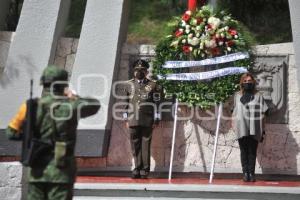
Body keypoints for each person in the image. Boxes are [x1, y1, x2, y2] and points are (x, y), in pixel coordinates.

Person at [5, 65, 100, 200]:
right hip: (61, 173)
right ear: (63, 85)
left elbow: (10, 133)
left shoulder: (29, 106)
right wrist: (73, 97)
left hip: (36, 172)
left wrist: (30, 138)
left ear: (43, 83)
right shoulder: (71, 106)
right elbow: (95, 105)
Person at [123, 59, 162, 179]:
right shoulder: (128, 84)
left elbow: (158, 104)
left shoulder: (153, 85)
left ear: (146, 71)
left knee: (146, 144)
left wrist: (156, 119)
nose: (139, 72)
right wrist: (126, 119)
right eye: (137, 70)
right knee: (135, 145)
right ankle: (137, 168)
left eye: (142, 70)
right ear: (134, 71)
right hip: (133, 119)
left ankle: (145, 169)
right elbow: (125, 102)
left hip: (147, 120)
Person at [232, 73, 269, 182]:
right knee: (243, 151)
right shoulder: (237, 96)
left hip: (255, 127)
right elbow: (233, 112)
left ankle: (252, 173)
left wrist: (263, 129)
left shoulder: (259, 96)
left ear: (253, 82)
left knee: (252, 151)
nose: (248, 83)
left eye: (249, 81)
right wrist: (233, 125)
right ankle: (245, 173)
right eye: (245, 81)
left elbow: (264, 113)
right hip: (241, 127)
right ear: (242, 83)